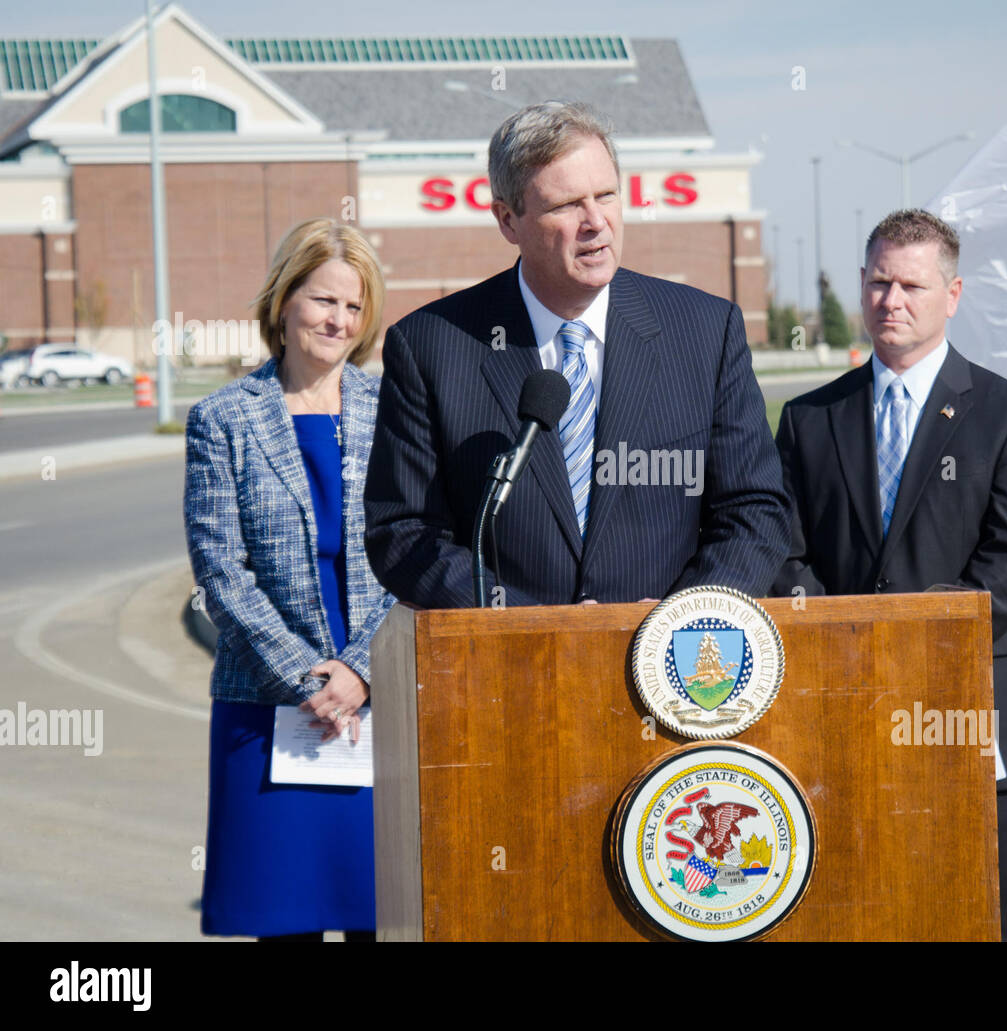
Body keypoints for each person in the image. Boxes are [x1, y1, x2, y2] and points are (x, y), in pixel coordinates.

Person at [364, 102, 788, 607]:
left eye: (607, 196)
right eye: (566, 205)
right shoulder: (431, 346)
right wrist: (535, 630)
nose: (596, 222)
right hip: (509, 665)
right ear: (508, 220)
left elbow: (754, 511)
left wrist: (677, 621)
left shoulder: (705, 331)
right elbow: (404, 532)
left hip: (665, 665)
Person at [773, 209, 1007, 941]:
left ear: (953, 294)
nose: (890, 300)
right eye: (877, 282)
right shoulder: (809, 419)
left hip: (965, 708)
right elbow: (782, 549)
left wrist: (905, 639)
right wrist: (843, 635)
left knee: (991, 913)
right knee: (862, 909)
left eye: (911, 285)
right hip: (842, 706)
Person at [184, 217, 395, 940]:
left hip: (381, 705)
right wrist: (312, 681)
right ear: (283, 301)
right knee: (287, 924)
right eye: (323, 299)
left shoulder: (398, 414)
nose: (338, 319)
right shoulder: (222, 419)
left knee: (384, 916)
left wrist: (360, 672)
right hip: (270, 702)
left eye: (354, 306)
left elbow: (419, 552)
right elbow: (221, 572)